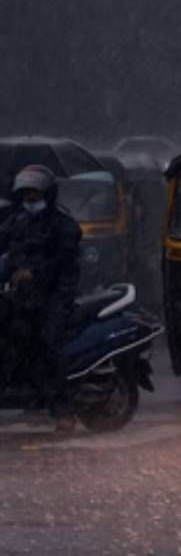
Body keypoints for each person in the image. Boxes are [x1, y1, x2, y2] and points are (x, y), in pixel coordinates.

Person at [0, 165, 82, 434]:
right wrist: (11, 271)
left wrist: (34, 273)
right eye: (26, 195)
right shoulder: (16, 221)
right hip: (21, 297)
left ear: (48, 194)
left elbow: (63, 265)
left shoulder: (63, 226)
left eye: (35, 195)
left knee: (48, 344)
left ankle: (63, 410)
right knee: (10, 340)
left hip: (55, 297)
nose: (30, 200)